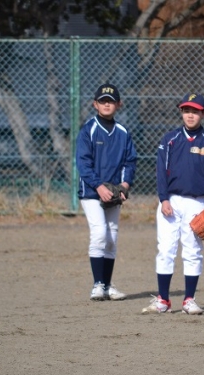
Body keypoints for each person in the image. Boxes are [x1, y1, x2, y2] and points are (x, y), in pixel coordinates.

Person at [142, 93, 204, 315]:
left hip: (197, 203)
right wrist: (163, 198)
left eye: (195, 111)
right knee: (165, 250)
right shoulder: (170, 140)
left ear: (203, 114)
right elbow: (161, 171)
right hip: (170, 201)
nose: (190, 115)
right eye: (186, 110)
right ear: (181, 112)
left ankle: (189, 299)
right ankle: (163, 300)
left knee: (193, 251)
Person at [76, 83, 137, 301]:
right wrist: (98, 186)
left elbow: (130, 161)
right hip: (92, 192)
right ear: (95, 104)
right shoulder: (89, 130)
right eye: (103, 101)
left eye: (111, 101)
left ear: (119, 104)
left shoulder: (122, 132)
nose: (107, 104)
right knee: (100, 232)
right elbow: (83, 164)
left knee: (111, 236)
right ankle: (97, 284)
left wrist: (125, 185)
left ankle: (108, 285)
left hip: (114, 192)